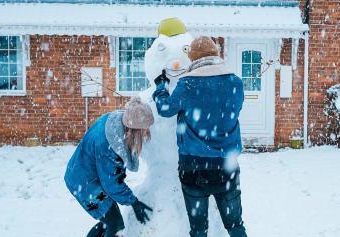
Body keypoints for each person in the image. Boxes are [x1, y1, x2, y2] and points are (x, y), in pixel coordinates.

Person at [152, 36, 247, 237]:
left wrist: (161, 87)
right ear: (216, 55)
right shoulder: (236, 83)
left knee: (198, 230)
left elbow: (165, 109)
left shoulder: (188, 84)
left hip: (193, 167)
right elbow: (232, 112)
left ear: (193, 58)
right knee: (235, 226)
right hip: (226, 166)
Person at [64, 96, 155, 237]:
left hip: (85, 174)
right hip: (84, 182)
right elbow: (111, 184)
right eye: (144, 130)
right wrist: (134, 202)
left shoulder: (119, 123)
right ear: (135, 130)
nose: (147, 134)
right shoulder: (109, 145)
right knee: (116, 224)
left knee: (108, 221)